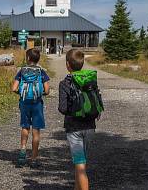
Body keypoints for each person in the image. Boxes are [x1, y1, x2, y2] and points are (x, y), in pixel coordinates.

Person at [58, 49, 104, 190]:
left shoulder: (65, 83)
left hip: (74, 129)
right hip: (90, 126)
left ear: (67, 64)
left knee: (80, 166)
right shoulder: (90, 79)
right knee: (81, 163)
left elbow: (63, 108)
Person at [11, 48, 50, 167]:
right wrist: (39, 93)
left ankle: (23, 150)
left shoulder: (22, 71)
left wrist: (22, 94)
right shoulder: (41, 71)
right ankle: (34, 158)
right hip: (37, 103)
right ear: (38, 59)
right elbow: (47, 90)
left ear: (28, 58)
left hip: (24, 103)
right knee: (36, 131)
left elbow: (13, 88)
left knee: (25, 127)